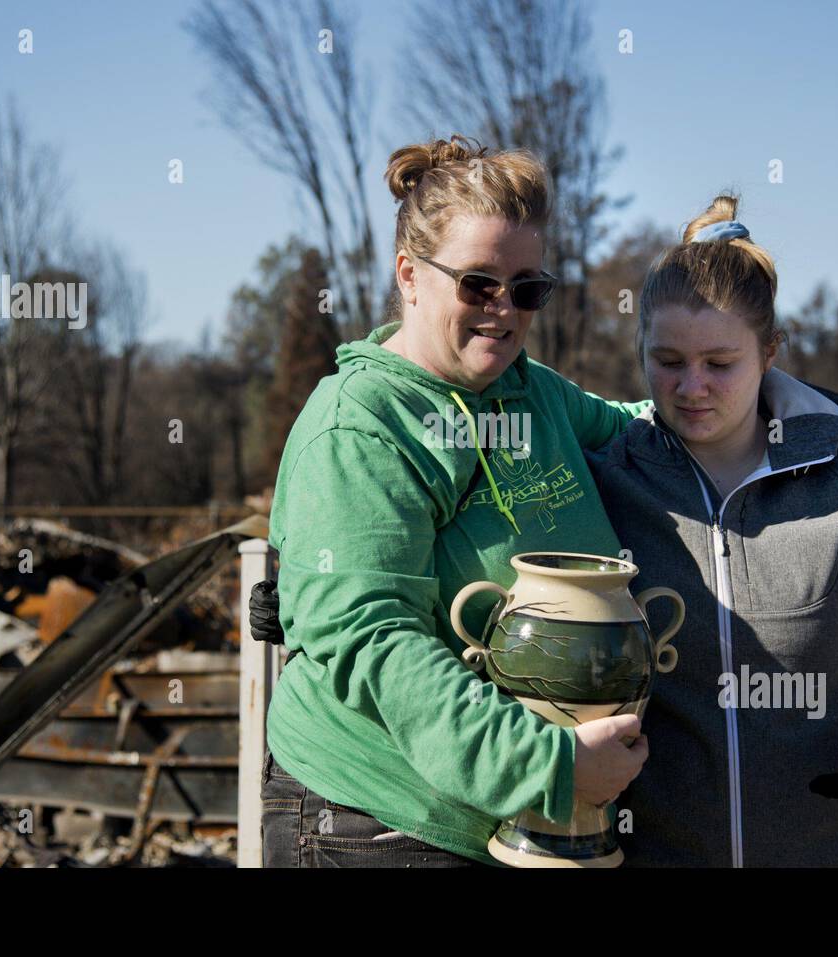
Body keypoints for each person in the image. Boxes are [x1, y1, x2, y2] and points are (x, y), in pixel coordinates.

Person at [260, 135, 652, 867]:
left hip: (517, 818)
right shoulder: (361, 426)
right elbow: (376, 644)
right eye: (479, 284)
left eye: (528, 288)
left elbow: (639, 429)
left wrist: (762, 393)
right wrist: (551, 765)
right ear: (409, 275)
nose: (505, 311)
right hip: (377, 820)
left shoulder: (530, 392)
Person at [585, 195, 838, 866]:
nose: (692, 387)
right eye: (668, 360)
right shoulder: (608, 480)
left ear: (770, 351)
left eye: (720, 363)